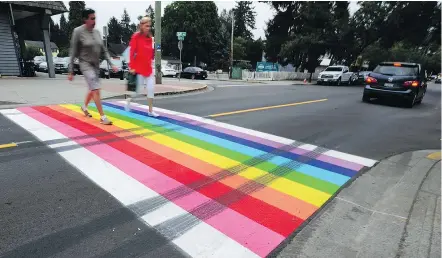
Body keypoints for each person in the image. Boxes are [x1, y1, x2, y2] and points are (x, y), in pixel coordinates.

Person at [68, 8, 117, 125]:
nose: (94, 21)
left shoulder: (97, 32)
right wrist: (71, 70)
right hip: (85, 64)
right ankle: (103, 117)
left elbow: (104, 50)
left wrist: (111, 63)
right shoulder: (78, 31)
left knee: (93, 87)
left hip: (96, 65)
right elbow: (73, 51)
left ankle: (84, 107)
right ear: (85, 19)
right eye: (92, 18)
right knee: (95, 88)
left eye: (95, 18)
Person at [125, 16, 159, 117]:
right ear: (141, 25)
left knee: (151, 88)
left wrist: (152, 60)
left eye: (149, 26)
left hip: (148, 68)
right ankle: (128, 101)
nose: (148, 28)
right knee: (135, 91)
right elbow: (131, 52)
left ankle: (150, 110)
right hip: (138, 68)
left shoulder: (151, 38)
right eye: (146, 26)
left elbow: (152, 53)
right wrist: (131, 66)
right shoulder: (136, 36)